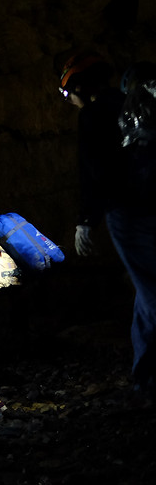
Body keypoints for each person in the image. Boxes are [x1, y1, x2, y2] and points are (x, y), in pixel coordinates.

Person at [60, 53, 156, 397]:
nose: (67, 100)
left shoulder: (93, 114)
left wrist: (86, 221)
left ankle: (147, 378)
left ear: (79, 87)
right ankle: (145, 376)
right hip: (149, 204)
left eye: (65, 92)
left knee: (150, 291)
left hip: (127, 214)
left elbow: (94, 173)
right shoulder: (130, 104)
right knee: (146, 289)